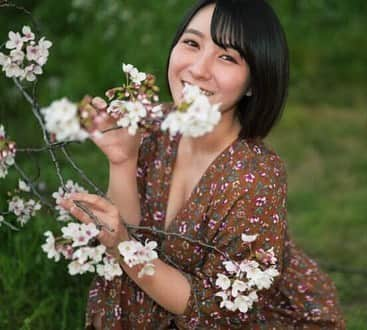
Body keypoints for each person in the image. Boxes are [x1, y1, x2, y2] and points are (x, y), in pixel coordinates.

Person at [61, 0, 346, 328]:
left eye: (227, 57)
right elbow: (129, 244)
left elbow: (214, 309)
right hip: (157, 291)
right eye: (192, 43)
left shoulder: (255, 177)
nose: (197, 69)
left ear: (254, 81)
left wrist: (124, 244)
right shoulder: (153, 124)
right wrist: (122, 160)